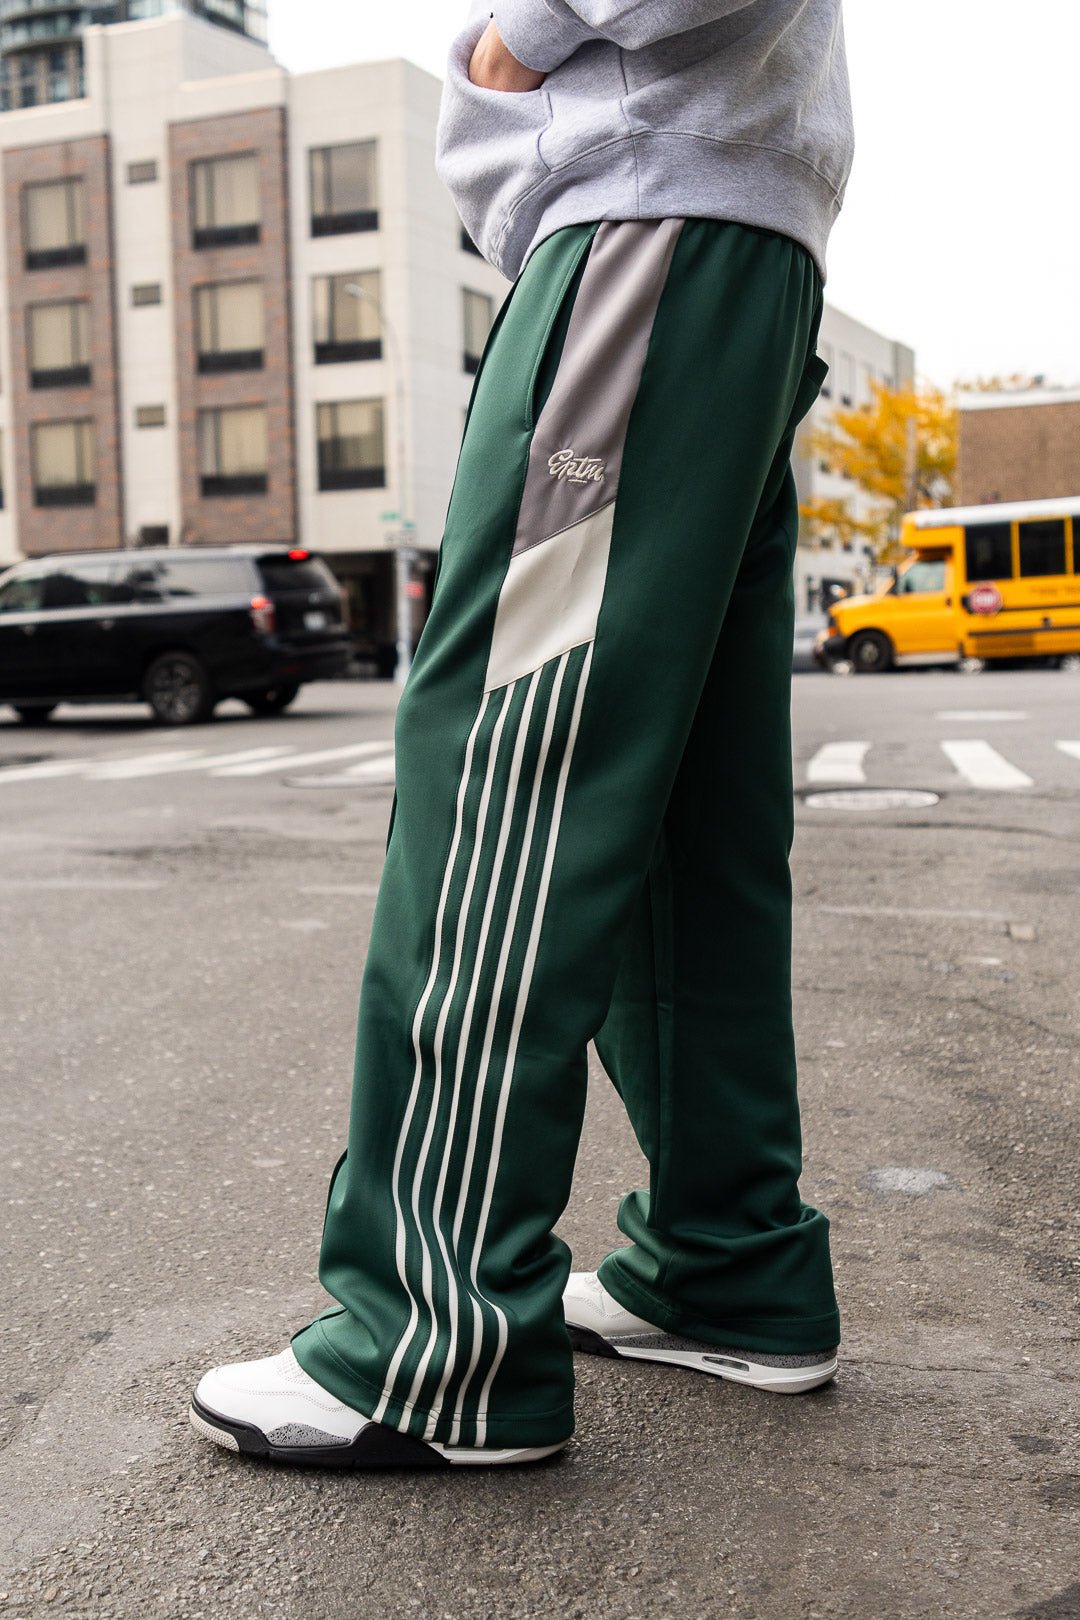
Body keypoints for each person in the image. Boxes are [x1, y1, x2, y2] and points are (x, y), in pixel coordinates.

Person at [190, 0, 854, 1469]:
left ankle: (432, 1340)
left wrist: (527, 32)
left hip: (643, 224)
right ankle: (727, 1258)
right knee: (687, 803)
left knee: (511, 767)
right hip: (733, 240)